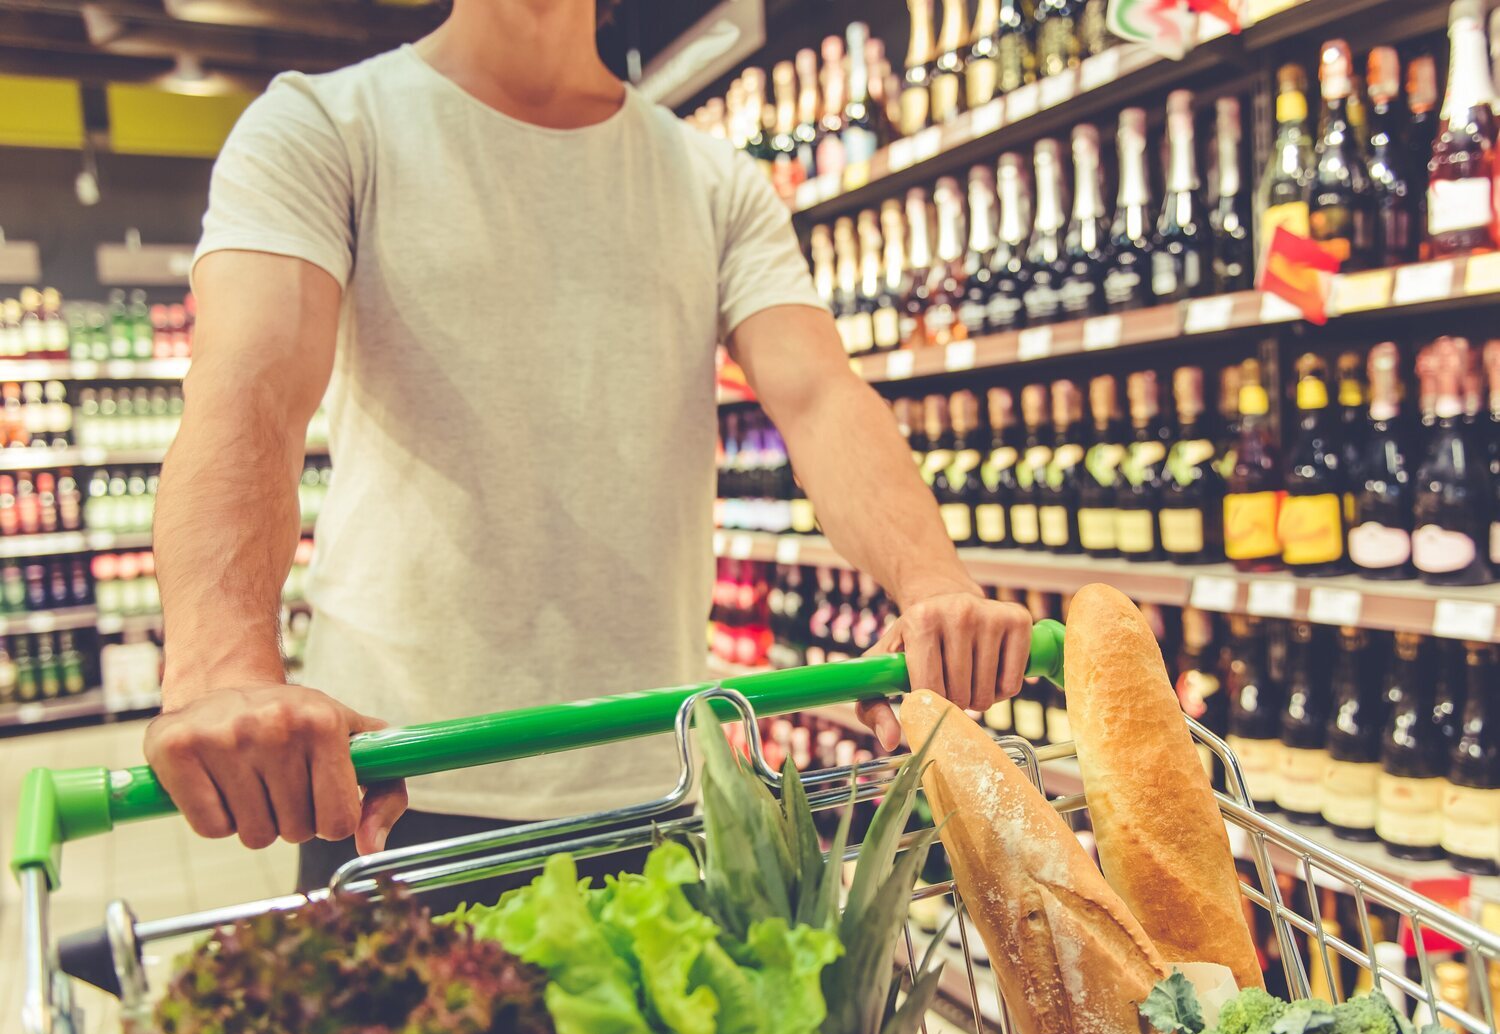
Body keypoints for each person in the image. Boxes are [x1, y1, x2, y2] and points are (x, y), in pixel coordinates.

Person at [144, 0, 1033, 898]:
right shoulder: (324, 125)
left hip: (665, 792)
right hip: (397, 795)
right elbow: (249, 388)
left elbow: (819, 396)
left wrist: (933, 585)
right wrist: (222, 667)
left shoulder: (712, 178)